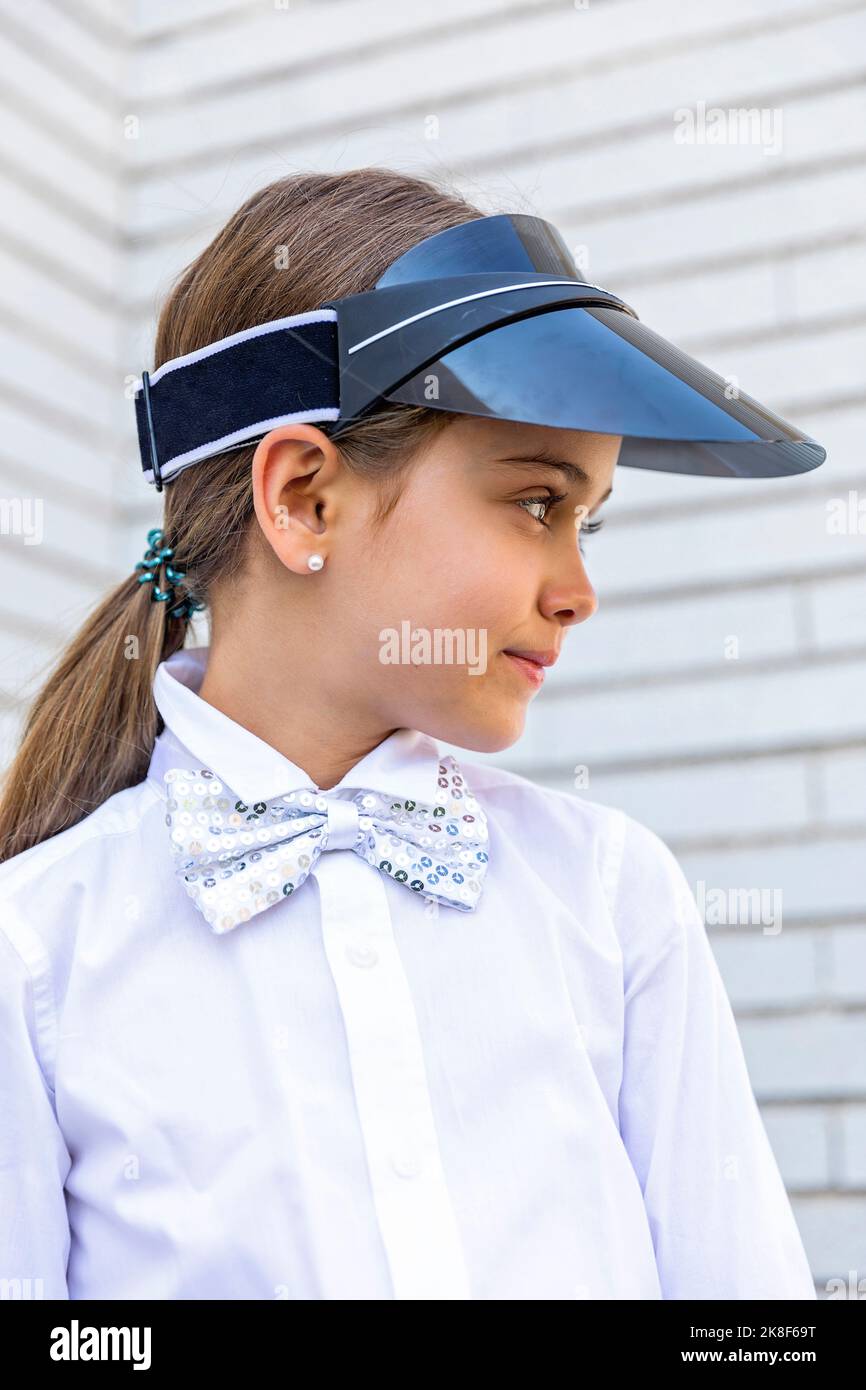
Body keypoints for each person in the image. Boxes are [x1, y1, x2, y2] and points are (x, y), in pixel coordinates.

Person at [0, 168, 816, 1300]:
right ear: (302, 499)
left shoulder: (616, 900)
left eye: (587, 520)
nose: (578, 588)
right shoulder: (33, 952)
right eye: (538, 502)